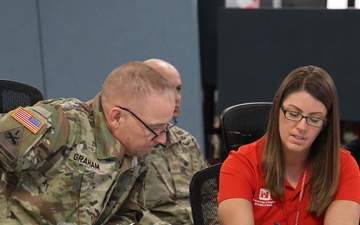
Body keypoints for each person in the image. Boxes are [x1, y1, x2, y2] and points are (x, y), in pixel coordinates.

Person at [0, 61, 177, 224]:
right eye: (156, 128)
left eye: (166, 127)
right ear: (117, 117)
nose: (162, 139)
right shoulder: (58, 123)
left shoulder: (135, 151)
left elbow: (124, 215)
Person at [218, 65, 360, 225]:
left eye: (314, 119)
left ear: (325, 124)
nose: (301, 126)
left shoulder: (343, 167)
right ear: (277, 108)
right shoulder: (240, 164)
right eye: (293, 114)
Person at [139, 58, 209, 224]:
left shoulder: (186, 141)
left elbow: (210, 195)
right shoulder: (130, 144)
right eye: (169, 89)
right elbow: (125, 211)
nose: (177, 98)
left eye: (178, 90)